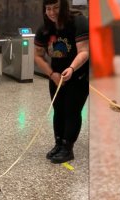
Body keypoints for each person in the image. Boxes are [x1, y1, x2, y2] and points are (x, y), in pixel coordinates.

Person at [34, 0, 89, 164]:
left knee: (71, 110)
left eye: (56, 8)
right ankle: (58, 143)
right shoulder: (44, 29)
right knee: (58, 110)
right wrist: (52, 75)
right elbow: (37, 55)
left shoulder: (78, 22)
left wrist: (71, 69)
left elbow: (84, 51)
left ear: (64, 6)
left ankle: (67, 147)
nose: (51, 12)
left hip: (78, 74)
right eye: (48, 8)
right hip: (56, 76)